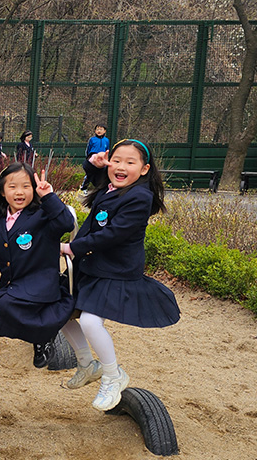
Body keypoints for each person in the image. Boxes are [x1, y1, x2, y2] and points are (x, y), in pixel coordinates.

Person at [59, 139, 180, 410]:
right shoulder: (112, 185)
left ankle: (113, 376)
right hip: (93, 267)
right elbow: (95, 177)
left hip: (115, 272)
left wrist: (72, 247)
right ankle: (88, 364)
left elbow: (112, 235)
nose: (121, 167)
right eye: (116, 160)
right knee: (57, 309)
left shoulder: (139, 197)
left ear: (145, 169)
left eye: (130, 162)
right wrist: (93, 163)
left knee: (90, 322)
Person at [0, 162, 75, 368]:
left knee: (5, 304)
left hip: (39, 283)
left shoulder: (43, 215)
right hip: (14, 284)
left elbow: (66, 224)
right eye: (13, 186)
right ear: (2, 191)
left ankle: (42, 338)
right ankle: (40, 338)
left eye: (26, 186)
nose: (20, 192)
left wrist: (49, 197)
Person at [83, 125, 109, 190]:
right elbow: (88, 148)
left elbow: (107, 149)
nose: (99, 131)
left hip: (102, 160)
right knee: (90, 174)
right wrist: (88, 157)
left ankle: (99, 188)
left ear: (104, 131)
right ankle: (84, 188)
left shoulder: (106, 140)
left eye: (101, 129)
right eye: (97, 129)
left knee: (101, 174)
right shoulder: (92, 139)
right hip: (93, 158)